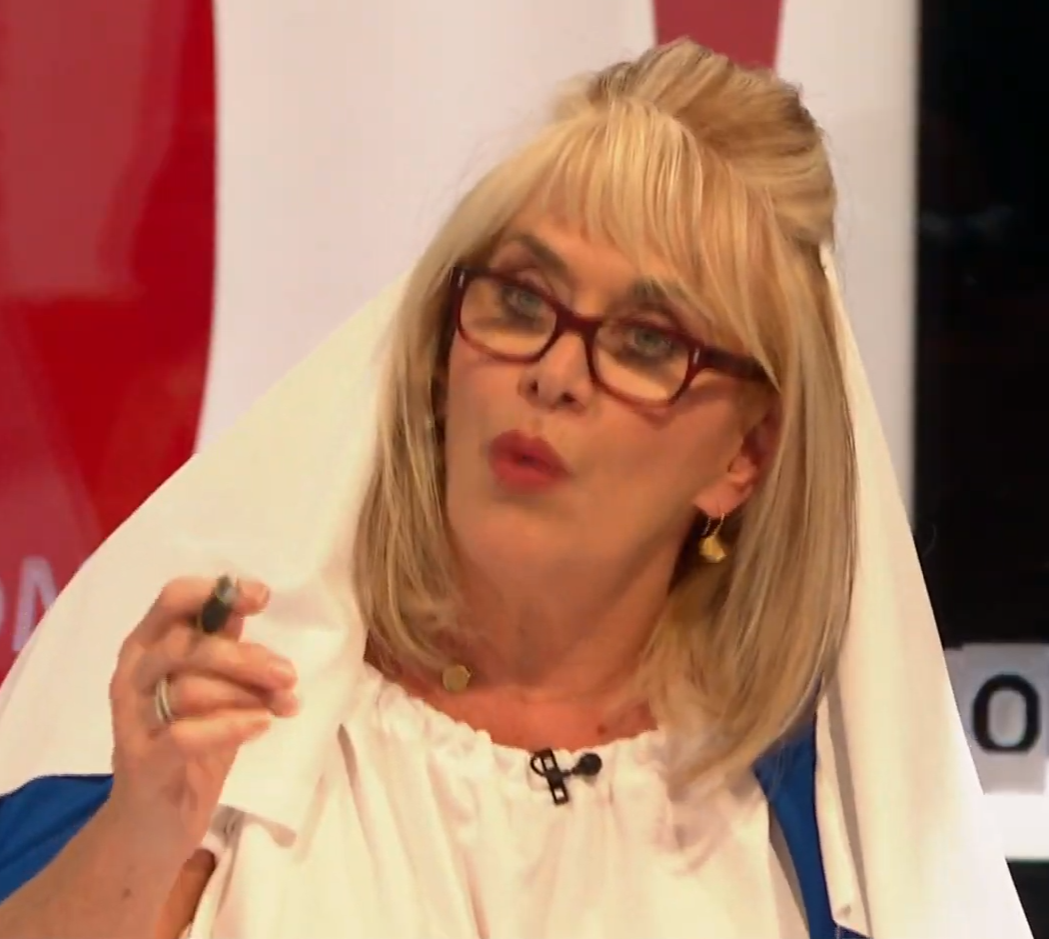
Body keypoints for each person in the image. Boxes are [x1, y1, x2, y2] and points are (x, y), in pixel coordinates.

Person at [0, 39, 1031, 939]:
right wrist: (140, 828)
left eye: (645, 341)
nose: (553, 371)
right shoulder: (247, 736)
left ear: (742, 458)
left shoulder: (809, 828)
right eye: (522, 299)